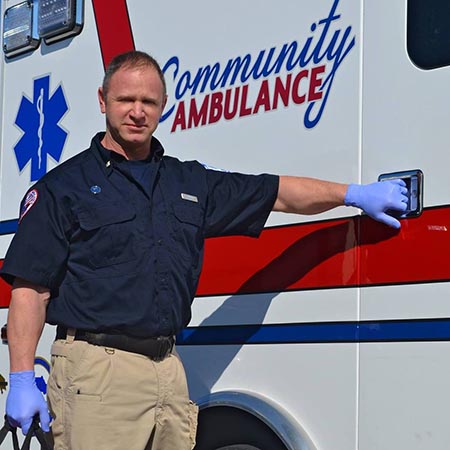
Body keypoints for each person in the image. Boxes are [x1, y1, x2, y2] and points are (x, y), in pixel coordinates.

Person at [1, 50, 408, 450]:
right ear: (102, 100)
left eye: (148, 102)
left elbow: (278, 193)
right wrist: (20, 378)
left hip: (168, 369)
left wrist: (352, 194)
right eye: (126, 99)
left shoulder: (188, 181)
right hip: (95, 373)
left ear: (163, 107)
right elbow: (30, 289)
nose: (137, 112)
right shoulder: (63, 188)